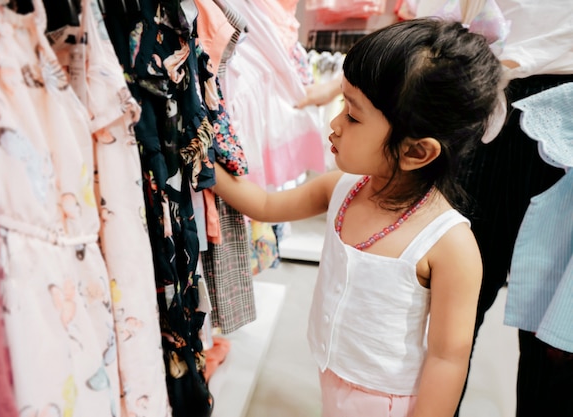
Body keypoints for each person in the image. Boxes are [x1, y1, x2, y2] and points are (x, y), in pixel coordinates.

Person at [214, 18, 502, 417]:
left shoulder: (449, 245)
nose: (334, 124)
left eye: (352, 115)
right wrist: (205, 165)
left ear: (416, 152)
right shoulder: (342, 189)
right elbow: (264, 205)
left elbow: (447, 358)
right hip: (333, 375)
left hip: (390, 403)